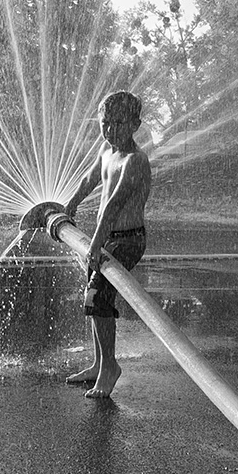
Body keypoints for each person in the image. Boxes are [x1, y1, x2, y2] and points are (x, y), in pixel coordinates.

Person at [62, 91, 152, 398]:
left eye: (119, 123)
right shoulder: (107, 152)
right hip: (109, 238)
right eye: (106, 122)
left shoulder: (135, 161)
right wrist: (70, 205)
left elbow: (113, 207)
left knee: (98, 297)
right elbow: (89, 181)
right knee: (93, 298)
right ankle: (99, 363)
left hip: (129, 240)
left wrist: (95, 246)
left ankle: (110, 367)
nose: (111, 129)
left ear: (135, 124)